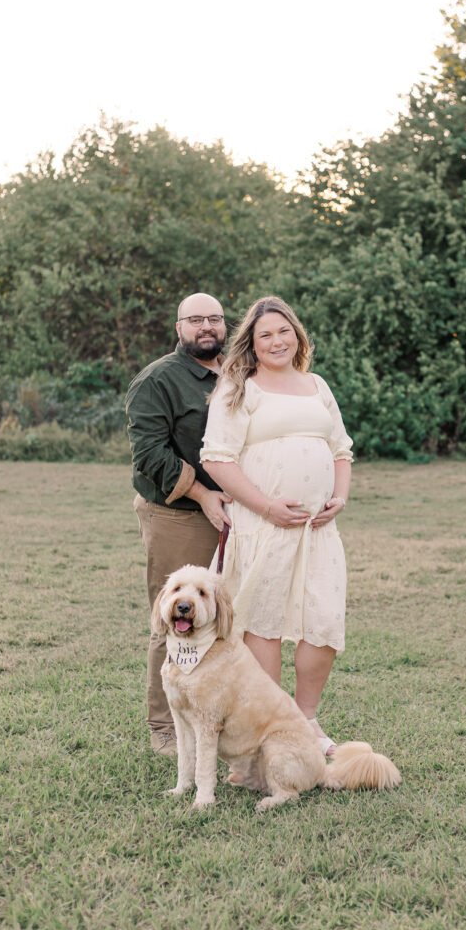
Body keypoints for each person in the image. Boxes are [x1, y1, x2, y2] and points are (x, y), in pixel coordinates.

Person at [200, 296, 352, 755]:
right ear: (252, 342)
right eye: (265, 335)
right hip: (263, 527)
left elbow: (341, 450)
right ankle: (273, 725)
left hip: (317, 531)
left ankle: (306, 717)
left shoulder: (316, 384)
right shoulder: (238, 388)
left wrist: (339, 498)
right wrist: (267, 506)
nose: (276, 341)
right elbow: (216, 457)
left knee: (322, 622)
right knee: (262, 623)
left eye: (283, 331)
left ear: (297, 334)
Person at [125, 292, 231, 755]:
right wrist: (205, 494)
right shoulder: (158, 380)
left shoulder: (235, 373)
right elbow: (150, 455)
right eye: (195, 320)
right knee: (173, 620)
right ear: (179, 327)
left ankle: (217, 712)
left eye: (214, 318)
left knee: (225, 618)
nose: (205, 326)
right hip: (179, 515)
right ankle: (163, 726)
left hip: (234, 513)